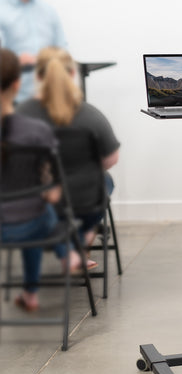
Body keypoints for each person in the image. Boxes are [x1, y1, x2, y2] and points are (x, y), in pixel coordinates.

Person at [17, 47, 121, 263]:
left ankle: (65, 241)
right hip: (84, 203)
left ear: (37, 76)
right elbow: (111, 160)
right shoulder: (90, 115)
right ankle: (83, 236)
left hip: (33, 205)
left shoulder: (22, 114)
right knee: (105, 181)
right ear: (73, 74)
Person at [0, 48, 81, 312]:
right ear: (17, 83)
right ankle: (66, 253)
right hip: (28, 225)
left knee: (30, 209)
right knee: (41, 208)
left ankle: (30, 293)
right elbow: (52, 194)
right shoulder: (36, 132)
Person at [0, 0, 67, 103]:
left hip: (49, 94)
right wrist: (15, 61)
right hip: (13, 97)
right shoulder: (2, 10)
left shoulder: (48, 11)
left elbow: (62, 49)